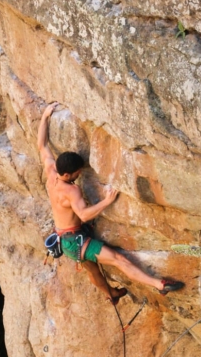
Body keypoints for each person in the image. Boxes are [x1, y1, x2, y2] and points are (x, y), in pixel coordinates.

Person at [37, 102, 184, 304]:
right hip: (75, 240)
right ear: (68, 174)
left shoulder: (51, 172)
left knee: (92, 268)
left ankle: (111, 293)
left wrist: (45, 117)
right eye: (78, 173)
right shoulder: (71, 191)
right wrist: (107, 201)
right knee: (118, 260)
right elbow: (84, 215)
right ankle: (159, 285)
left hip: (65, 240)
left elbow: (42, 145)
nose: (80, 174)